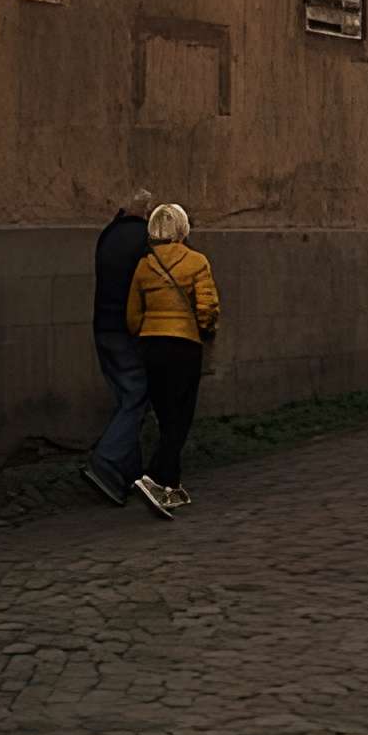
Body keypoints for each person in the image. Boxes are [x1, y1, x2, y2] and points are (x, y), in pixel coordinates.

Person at [124, 202, 220, 518]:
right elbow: (207, 306)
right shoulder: (196, 262)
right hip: (184, 346)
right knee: (181, 416)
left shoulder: (144, 265)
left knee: (166, 415)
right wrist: (205, 328)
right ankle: (154, 477)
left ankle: (172, 486)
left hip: (152, 346)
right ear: (182, 228)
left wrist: (145, 332)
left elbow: (133, 315)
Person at [80, 187, 154, 506]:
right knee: (138, 395)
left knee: (126, 397)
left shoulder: (108, 235)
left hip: (103, 325)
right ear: (147, 213)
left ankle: (128, 474)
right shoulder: (144, 240)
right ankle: (106, 461)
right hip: (127, 327)